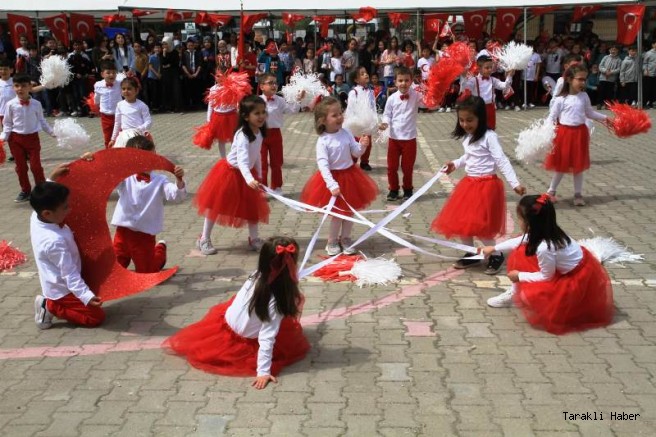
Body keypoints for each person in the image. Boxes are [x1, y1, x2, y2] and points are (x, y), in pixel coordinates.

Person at [163, 236, 310, 389]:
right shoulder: (277, 300)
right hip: (242, 342)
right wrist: (263, 371)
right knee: (280, 322)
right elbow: (267, 337)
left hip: (227, 321)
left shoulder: (256, 275)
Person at [481, 194, 614, 334]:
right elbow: (523, 239)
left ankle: (517, 293)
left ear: (530, 223)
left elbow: (546, 277)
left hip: (573, 278)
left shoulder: (544, 247)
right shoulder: (547, 230)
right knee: (520, 250)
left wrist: (520, 276)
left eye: (520, 218)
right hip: (571, 265)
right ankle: (515, 291)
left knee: (529, 293)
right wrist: (494, 248)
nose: (518, 221)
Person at [431, 95, 525, 273]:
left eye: (470, 120)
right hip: (469, 184)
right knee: (463, 223)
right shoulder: (468, 137)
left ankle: (496, 254)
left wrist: (515, 183)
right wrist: (455, 164)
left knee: (481, 227)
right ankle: (471, 253)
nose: (465, 124)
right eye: (461, 120)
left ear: (480, 118)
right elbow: (469, 156)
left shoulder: (489, 137)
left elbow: (501, 160)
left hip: (486, 186)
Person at [300, 96, 378, 255]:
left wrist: (362, 146)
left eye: (340, 113)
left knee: (349, 212)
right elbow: (323, 165)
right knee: (337, 214)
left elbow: (355, 152)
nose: (339, 117)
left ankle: (346, 238)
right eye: (334, 115)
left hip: (350, 176)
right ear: (323, 120)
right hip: (333, 179)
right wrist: (331, 184)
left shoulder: (346, 132)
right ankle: (332, 241)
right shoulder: (323, 141)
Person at [195, 95, 270, 255]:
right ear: (246, 116)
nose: (261, 116)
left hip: (247, 175)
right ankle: (204, 238)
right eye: (257, 113)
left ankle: (254, 238)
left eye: (263, 112)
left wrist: (259, 176)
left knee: (252, 207)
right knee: (216, 205)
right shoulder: (242, 135)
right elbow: (242, 161)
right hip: (230, 174)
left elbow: (257, 155)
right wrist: (250, 178)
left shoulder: (259, 132)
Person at [30, 174, 105, 329]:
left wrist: (52, 178)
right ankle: (50, 306)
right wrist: (86, 296)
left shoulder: (37, 217)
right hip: (61, 290)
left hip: (64, 278)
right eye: (65, 207)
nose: (69, 209)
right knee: (95, 317)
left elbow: (42, 195)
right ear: (47, 213)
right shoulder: (53, 242)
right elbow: (69, 273)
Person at [110, 135, 186, 273]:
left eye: (152, 157)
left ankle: (160, 250)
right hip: (123, 232)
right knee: (115, 270)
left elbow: (176, 196)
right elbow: (109, 179)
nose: (148, 162)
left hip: (144, 236)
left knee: (147, 272)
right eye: (143, 158)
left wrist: (179, 180)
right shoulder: (125, 177)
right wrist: (97, 159)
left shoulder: (160, 180)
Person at [545, 64, 608, 207]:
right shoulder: (561, 99)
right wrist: (547, 132)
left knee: (578, 165)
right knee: (562, 165)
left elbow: (590, 113)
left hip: (580, 134)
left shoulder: (584, 96)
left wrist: (606, 118)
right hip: (564, 135)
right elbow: (552, 117)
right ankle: (551, 191)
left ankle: (578, 194)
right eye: (580, 79)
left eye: (584, 80)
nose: (583, 83)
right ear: (569, 79)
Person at [1, 74, 55, 203]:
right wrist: (3, 137)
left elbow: (42, 121)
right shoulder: (10, 104)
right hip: (15, 140)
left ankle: (41, 190)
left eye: (24, 86)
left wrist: (52, 132)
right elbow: (7, 123)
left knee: (36, 167)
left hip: (32, 139)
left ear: (30, 87)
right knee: (21, 167)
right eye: (17, 86)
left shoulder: (36, 104)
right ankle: (25, 190)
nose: (20, 89)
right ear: (13, 87)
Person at [380, 66, 421, 201]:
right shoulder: (392, 98)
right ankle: (393, 190)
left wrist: (435, 98)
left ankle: (408, 189)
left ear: (411, 81)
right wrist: (385, 123)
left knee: (407, 167)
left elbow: (428, 104)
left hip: (410, 138)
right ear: (395, 82)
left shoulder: (416, 95)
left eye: (407, 80)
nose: (403, 83)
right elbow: (387, 114)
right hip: (394, 138)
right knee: (392, 167)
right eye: (400, 80)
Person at [258, 73, 301, 194]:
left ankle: (277, 186)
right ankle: (262, 188)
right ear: (262, 86)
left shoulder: (280, 100)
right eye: (270, 83)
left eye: (275, 83)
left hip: (275, 134)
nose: (274, 85)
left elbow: (292, 110)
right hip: (260, 135)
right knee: (261, 163)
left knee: (277, 162)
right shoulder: (257, 101)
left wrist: (298, 100)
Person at [460, 56, 514, 130]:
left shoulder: (493, 80)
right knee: (478, 130)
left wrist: (509, 76)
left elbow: (504, 86)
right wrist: (463, 77)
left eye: (491, 67)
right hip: (478, 108)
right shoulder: (474, 80)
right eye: (487, 68)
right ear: (479, 68)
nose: (490, 70)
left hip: (491, 108)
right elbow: (464, 87)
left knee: (491, 129)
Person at [205, 71, 240, 158]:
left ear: (226, 76)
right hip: (218, 117)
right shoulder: (213, 89)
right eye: (217, 76)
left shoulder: (232, 87)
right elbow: (211, 104)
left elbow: (238, 100)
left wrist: (238, 109)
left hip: (231, 116)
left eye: (222, 76)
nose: (220, 78)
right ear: (214, 77)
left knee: (233, 138)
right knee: (221, 139)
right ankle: (223, 158)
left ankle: (234, 157)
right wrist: (208, 119)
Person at [109, 77, 152, 148]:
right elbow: (117, 123)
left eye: (129, 89)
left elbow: (148, 121)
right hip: (124, 137)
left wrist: (139, 129)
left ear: (136, 90)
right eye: (123, 89)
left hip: (138, 136)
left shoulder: (142, 105)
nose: (126, 91)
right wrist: (113, 139)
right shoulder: (120, 105)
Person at [347, 66, 376, 171]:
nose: (366, 75)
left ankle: (364, 162)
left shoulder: (371, 91)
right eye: (362, 74)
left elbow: (373, 106)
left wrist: (374, 119)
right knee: (356, 143)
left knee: (367, 143)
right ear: (356, 79)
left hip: (367, 123)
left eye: (366, 72)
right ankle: (352, 162)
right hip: (357, 124)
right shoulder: (354, 92)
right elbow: (351, 108)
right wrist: (354, 122)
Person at [93, 60, 122, 148]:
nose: (111, 75)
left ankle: (121, 153)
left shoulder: (120, 83)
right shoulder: (98, 85)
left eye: (113, 73)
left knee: (120, 137)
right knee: (107, 137)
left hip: (118, 115)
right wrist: (96, 106)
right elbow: (96, 97)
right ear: (102, 74)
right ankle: (108, 153)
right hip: (105, 116)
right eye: (108, 73)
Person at [598, 45, 621, 109]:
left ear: (617, 51)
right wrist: (605, 71)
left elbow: (619, 69)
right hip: (603, 78)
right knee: (601, 91)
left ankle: (607, 105)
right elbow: (600, 66)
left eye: (615, 50)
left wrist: (611, 72)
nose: (613, 51)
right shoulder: (605, 57)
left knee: (609, 92)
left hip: (611, 79)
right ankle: (599, 103)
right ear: (609, 50)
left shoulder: (619, 60)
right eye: (612, 49)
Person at [146, 43, 162, 112]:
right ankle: (154, 107)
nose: (157, 49)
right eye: (156, 48)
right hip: (152, 77)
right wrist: (157, 74)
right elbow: (150, 67)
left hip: (159, 77)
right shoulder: (151, 57)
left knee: (158, 92)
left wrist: (159, 74)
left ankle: (158, 106)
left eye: (159, 48)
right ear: (153, 49)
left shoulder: (161, 57)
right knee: (153, 92)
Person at [642, 40, 656, 108]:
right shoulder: (648, 53)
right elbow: (644, 63)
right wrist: (645, 70)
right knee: (647, 89)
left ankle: (652, 103)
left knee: (654, 90)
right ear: (653, 45)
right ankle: (644, 103)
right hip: (649, 74)